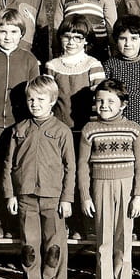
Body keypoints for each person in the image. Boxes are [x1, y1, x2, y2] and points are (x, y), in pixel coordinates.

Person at [3, 75, 76, 279]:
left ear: (52, 100)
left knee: (54, 248)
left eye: (41, 99)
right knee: (29, 248)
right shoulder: (19, 129)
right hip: (26, 197)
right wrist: (10, 194)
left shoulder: (62, 131)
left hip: (53, 198)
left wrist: (67, 198)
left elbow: (70, 167)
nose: (35, 104)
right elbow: (8, 165)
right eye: (31, 99)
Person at [77, 79, 140, 279]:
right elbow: (82, 166)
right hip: (100, 187)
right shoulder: (89, 129)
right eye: (100, 101)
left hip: (126, 189)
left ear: (123, 104)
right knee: (104, 242)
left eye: (110, 101)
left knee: (124, 242)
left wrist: (138, 195)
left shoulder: (134, 129)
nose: (104, 105)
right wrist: (85, 196)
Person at [0, 8, 40, 239]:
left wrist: (30, 124)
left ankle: (16, 221)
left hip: (19, 125)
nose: (8, 36)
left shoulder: (29, 59)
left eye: (13, 32)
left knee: (15, 171)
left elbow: (36, 93)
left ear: (21, 34)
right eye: (3, 31)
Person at [46, 14, 105, 239]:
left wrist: (94, 129)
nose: (71, 42)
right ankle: (63, 222)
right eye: (67, 37)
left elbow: (100, 99)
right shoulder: (52, 66)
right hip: (60, 131)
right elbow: (49, 99)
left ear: (85, 40)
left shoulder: (93, 65)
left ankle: (83, 225)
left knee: (82, 174)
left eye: (77, 38)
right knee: (61, 173)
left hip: (85, 131)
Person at [103, 15, 140, 239]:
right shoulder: (110, 65)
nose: (128, 44)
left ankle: (139, 225)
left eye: (134, 39)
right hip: (116, 129)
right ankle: (117, 224)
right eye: (123, 38)